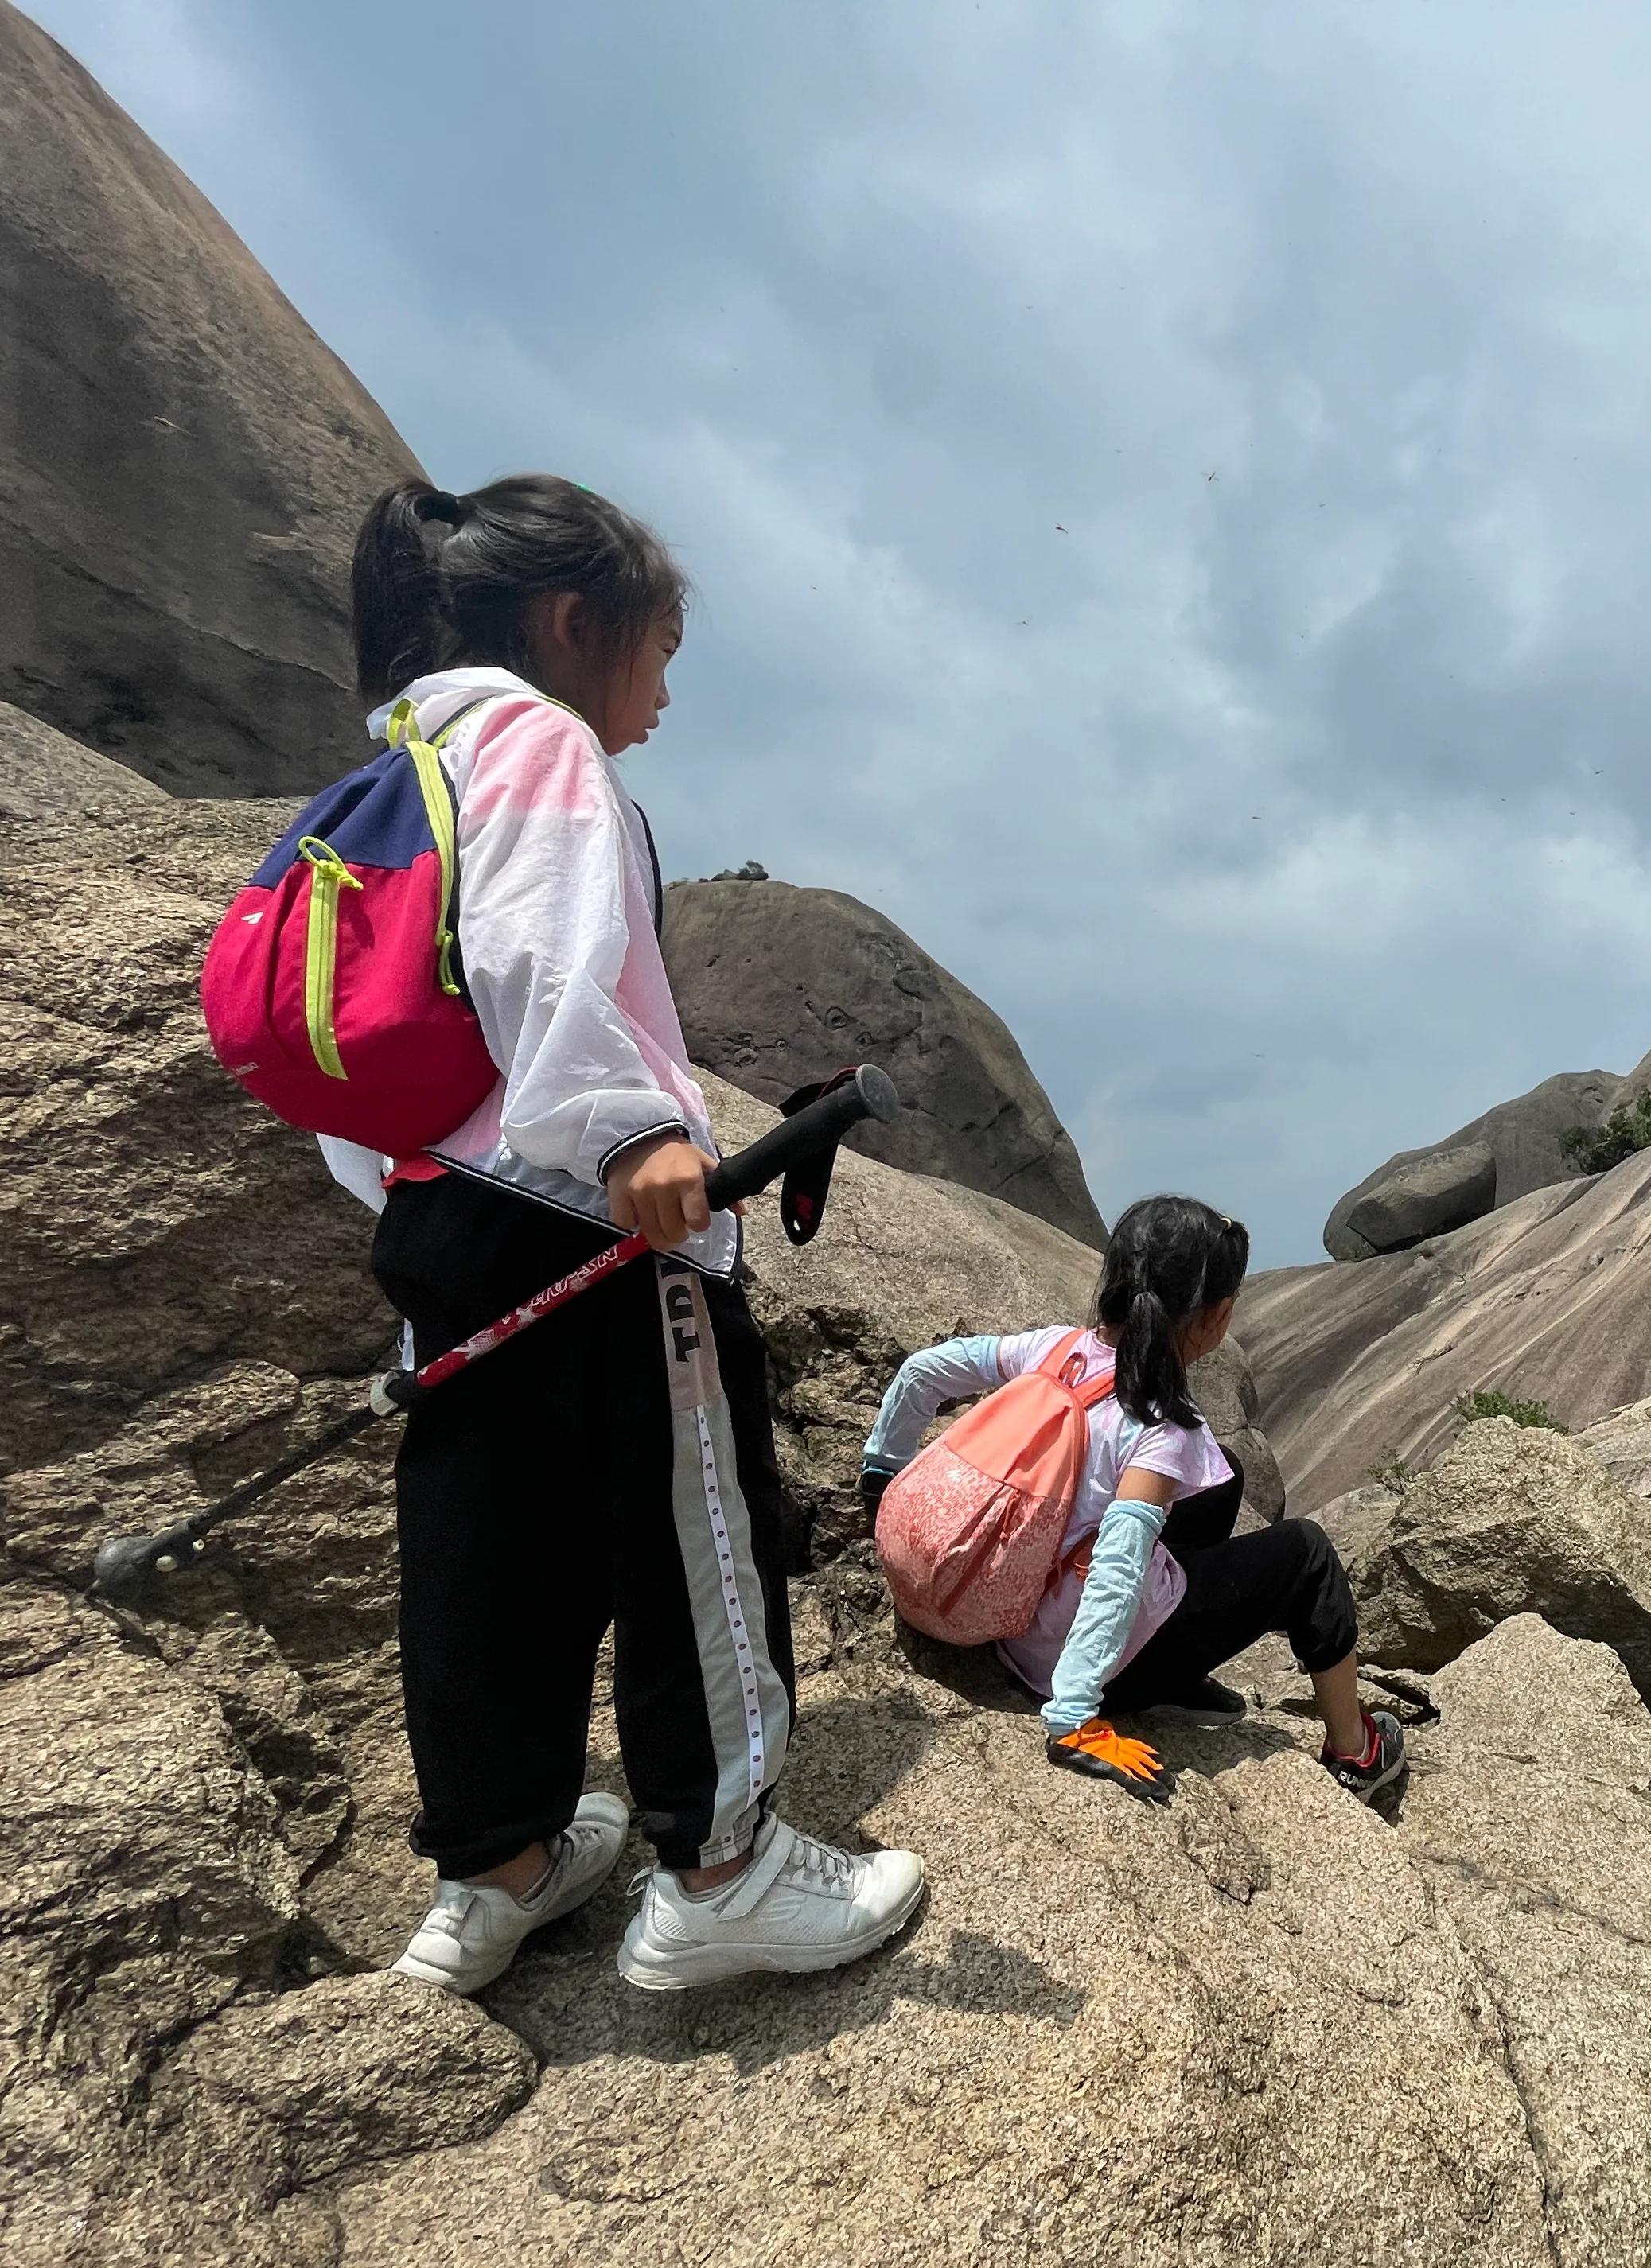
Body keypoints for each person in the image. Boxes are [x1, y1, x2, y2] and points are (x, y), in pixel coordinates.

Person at [336, 473, 925, 1997]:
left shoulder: (394, 767)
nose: (659, 698)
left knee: (482, 1545)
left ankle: (499, 1863)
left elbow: (354, 1021)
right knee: (695, 1526)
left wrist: (439, 1179)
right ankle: (721, 1867)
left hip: (441, 1216)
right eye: (657, 653)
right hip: (595, 1227)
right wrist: (631, 1134)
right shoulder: (538, 741)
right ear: (571, 622)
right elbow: (546, 946)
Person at [859, 1196, 1408, 1807]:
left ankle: (1172, 1680)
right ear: (1215, 1318)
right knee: (1306, 1553)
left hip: (1012, 1600)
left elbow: (922, 1372)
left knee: (1221, 1476)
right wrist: (1073, 1717)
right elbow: (1118, 1569)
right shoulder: (1158, 1428)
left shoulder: (1055, 1348)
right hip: (1059, 1661)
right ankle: (1357, 1752)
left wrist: (883, 1475)